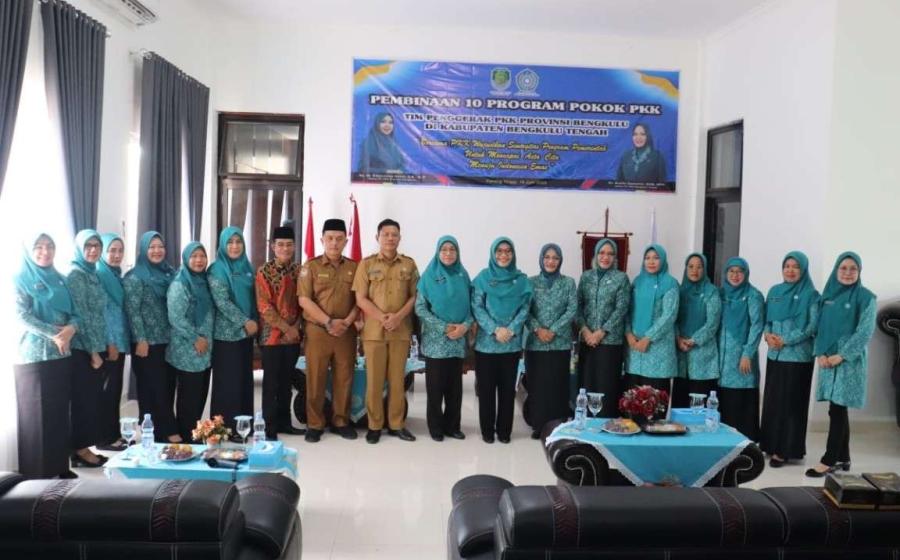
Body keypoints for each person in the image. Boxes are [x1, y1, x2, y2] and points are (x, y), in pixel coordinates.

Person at [13, 233, 79, 479]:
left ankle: (59, 467)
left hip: (61, 354)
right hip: (34, 356)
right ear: (29, 251)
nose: (45, 251)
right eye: (39, 247)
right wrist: (55, 334)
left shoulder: (61, 279)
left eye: (50, 246)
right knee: (36, 416)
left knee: (59, 411)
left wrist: (71, 329)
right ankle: (37, 475)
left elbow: (76, 313)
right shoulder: (19, 279)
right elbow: (21, 316)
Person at [806, 252, 876, 478]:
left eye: (853, 269)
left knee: (838, 408)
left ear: (859, 272)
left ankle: (829, 460)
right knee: (836, 408)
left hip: (848, 362)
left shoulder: (866, 298)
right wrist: (820, 353)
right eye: (843, 268)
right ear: (836, 270)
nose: (847, 273)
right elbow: (819, 327)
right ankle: (843, 457)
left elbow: (865, 332)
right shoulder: (827, 296)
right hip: (828, 359)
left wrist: (842, 355)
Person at [353, 219, 419, 443]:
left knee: (397, 381)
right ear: (377, 237)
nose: (390, 238)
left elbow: (415, 296)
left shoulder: (409, 265)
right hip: (374, 332)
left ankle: (396, 424)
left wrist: (398, 317)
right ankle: (374, 426)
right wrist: (383, 317)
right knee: (374, 381)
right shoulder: (366, 264)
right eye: (386, 234)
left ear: (400, 238)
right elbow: (360, 298)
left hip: (400, 331)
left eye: (394, 234)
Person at [299, 219, 360, 442]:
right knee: (315, 378)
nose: (334, 243)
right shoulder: (310, 267)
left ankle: (341, 421)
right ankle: (314, 424)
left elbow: (360, 299)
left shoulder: (355, 267)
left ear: (346, 241)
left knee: (344, 377)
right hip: (318, 330)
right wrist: (328, 321)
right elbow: (304, 300)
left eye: (339, 239)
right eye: (330, 238)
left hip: (346, 331)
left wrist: (347, 321)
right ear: (322, 240)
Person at [760, 251, 820, 468]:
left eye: (796, 267)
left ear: (803, 270)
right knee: (773, 402)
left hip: (798, 357)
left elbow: (811, 327)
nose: (791, 270)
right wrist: (767, 335)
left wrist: (785, 340)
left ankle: (785, 450)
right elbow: (767, 320)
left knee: (791, 404)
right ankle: (770, 444)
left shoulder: (812, 295)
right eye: (787, 266)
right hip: (775, 355)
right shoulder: (775, 291)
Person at [471, 237, 533, 444]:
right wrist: (495, 329)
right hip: (486, 345)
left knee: (507, 391)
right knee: (486, 391)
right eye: (499, 251)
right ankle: (487, 431)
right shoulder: (482, 278)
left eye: (508, 251)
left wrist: (511, 329)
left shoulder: (521, 280)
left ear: (513, 254)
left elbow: (525, 308)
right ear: (493, 253)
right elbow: (477, 307)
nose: (504, 255)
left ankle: (504, 431)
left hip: (510, 345)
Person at [415, 235, 473, 441]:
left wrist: (464, 327)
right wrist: (443, 327)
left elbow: (472, 307)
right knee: (435, 388)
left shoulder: (463, 275)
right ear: (438, 252)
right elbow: (420, 308)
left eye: (452, 249)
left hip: (457, 340)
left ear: (457, 252)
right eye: (444, 250)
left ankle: (453, 426)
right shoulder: (428, 276)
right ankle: (436, 427)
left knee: (455, 388)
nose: (448, 253)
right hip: (436, 342)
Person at [123, 231, 179, 443]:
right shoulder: (135, 277)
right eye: (152, 247)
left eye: (160, 246)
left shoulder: (169, 273)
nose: (157, 251)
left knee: (167, 386)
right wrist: (141, 339)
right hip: (146, 343)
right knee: (154, 388)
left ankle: (155, 430)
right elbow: (133, 311)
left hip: (168, 340)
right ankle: (166, 431)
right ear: (144, 250)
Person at [256, 225, 304, 439]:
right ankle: (269, 426)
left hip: (293, 337)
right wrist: (287, 328)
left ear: (294, 247)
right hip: (272, 337)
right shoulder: (264, 271)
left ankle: (285, 423)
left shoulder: (299, 271)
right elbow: (264, 307)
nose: (285, 248)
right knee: (271, 383)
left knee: (286, 383)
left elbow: (304, 302)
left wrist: (296, 327)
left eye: (289, 244)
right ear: (273, 247)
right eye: (281, 244)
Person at [66, 229, 109, 469]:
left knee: (91, 399)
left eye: (96, 245)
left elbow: (99, 313)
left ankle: (84, 447)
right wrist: (93, 352)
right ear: (79, 248)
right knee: (82, 401)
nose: (93, 250)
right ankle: (79, 451)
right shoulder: (76, 274)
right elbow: (80, 315)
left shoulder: (92, 273)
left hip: (96, 345)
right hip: (83, 349)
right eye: (88, 246)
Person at [208, 227, 258, 432]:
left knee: (244, 380)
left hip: (246, 333)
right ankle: (225, 427)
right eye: (230, 242)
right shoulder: (216, 269)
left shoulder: (247, 266)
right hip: (226, 335)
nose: (235, 246)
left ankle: (243, 425)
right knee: (228, 383)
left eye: (238, 242)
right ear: (222, 245)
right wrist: (244, 321)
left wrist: (254, 321)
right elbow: (222, 302)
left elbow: (254, 297)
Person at [525, 244, 577, 439]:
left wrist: (553, 330)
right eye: (547, 257)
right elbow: (525, 311)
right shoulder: (530, 282)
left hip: (559, 343)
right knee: (538, 386)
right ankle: (539, 426)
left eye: (555, 258)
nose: (551, 261)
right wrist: (538, 329)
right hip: (536, 342)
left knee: (557, 386)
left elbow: (572, 309)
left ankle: (557, 427)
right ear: (541, 259)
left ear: (560, 261)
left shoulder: (568, 283)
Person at [166, 242, 215, 441]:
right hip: (188, 349)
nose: (199, 260)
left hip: (204, 350)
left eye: (202, 256)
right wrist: (196, 339)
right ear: (186, 259)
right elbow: (176, 318)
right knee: (189, 397)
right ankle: (186, 437)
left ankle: (194, 434)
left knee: (200, 394)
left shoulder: (203, 281)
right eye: (194, 256)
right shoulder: (180, 284)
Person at [576, 239, 631, 418]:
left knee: (606, 386)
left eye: (610, 254)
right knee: (587, 384)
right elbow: (577, 307)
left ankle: (606, 423)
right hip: (587, 341)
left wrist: (601, 332)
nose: (605, 257)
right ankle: (586, 424)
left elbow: (621, 309)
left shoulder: (621, 278)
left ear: (615, 257)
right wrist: (586, 331)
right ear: (595, 255)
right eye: (601, 253)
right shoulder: (586, 277)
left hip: (610, 343)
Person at [717, 257, 765, 440]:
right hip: (722, 360)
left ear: (746, 274)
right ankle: (725, 443)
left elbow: (757, 326)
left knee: (741, 400)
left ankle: (745, 443)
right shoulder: (721, 294)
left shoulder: (753, 295)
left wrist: (747, 353)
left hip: (742, 358)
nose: (735, 275)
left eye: (740, 271)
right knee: (723, 400)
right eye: (731, 271)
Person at [624, 244, 679, 393]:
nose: (651, 261)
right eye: (647, 258)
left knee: (655, 400)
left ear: (663, 260)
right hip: (634, 350)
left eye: (656, 258)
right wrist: (628, 334)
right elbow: (627, 310)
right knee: (632, 398)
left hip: (658, 350)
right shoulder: (637, 282)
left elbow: (669, 315)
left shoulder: (670, 283)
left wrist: (648, 338)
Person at [95, 233, 130, 452]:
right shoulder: (100, 275)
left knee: (115, 390)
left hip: (119, 341)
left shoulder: (114, 275)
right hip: (110, 343)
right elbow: (103, 313)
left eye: (120, 251)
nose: (116, 255)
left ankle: (113, 434)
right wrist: (111, 342)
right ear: (103, 252)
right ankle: (105, 439)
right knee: (108, 392)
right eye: (112, 251)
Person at [672, 253, 722, 408]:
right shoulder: (679, 291)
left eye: (699, 267)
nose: (695, 270)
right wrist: (678, 338)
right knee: (680, 405)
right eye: (691, 266)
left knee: (700, 405)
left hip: (703, 356)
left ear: (704, 269)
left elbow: (712, 323)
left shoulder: (711, 291)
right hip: (681, 354)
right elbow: (673, 319)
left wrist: (693, 340)